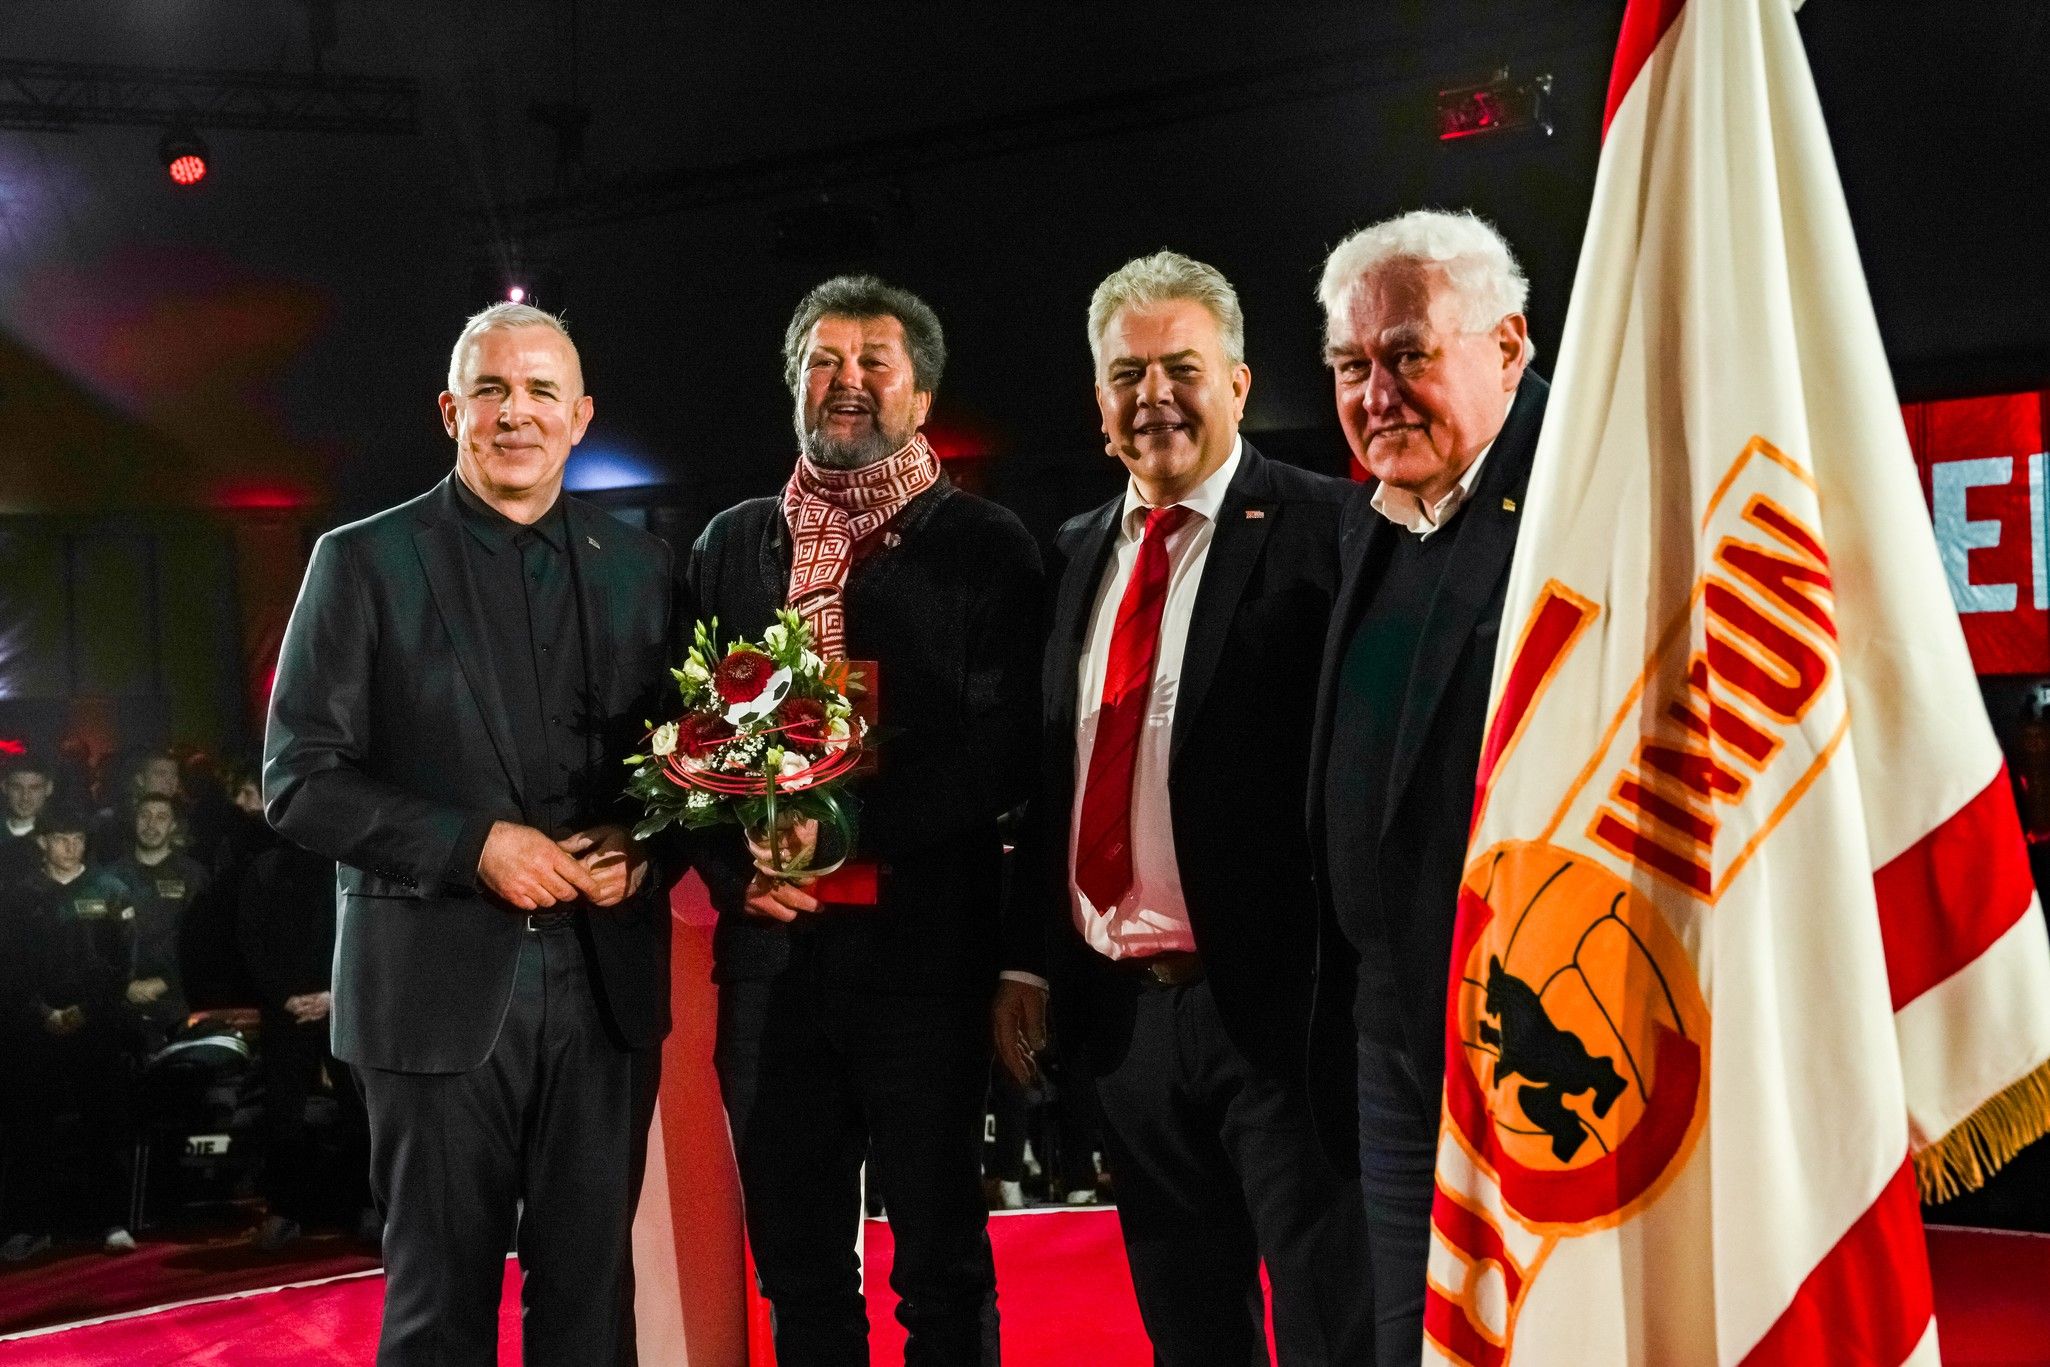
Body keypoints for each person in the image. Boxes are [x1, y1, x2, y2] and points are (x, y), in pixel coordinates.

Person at [264, 301, 689, 1365]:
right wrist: (473, 845)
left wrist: (643, 843)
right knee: (439, 1312)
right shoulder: (361, 560)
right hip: (431, 992)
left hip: (603, 992)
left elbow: (687, 768)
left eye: (542, 390)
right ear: (452, 411)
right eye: (491, 389)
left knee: (591, 1309)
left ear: (580, 417)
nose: (516, 412)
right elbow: (300, 779)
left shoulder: (646, 570)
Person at [992, 252, 1372, 1365]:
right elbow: (1053, 776)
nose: (1153, 395)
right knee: (1190, 1334)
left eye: (1181, 368)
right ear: (1098, 398)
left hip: (1281, 1016)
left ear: (1240, 384)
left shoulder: (1332, 530)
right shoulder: (1071, 555)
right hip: (1125, 1029)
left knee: (1332, 1331)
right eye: (1127, 374)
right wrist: (1028, 961)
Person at [690, 274, 1041, 1365]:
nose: (847, 382)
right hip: (770, 966)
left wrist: (846, 829)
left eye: (873, 363)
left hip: (925, 960)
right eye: (823, 363)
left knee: (941, 1263)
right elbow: (684, 735)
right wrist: (735, 861)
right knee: (797, 1269)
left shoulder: (987, 544)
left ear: (921, 394)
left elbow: (1006, 748)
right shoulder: (732, 544)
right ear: (793, 385)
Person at [1303, 209, 1547, 1366]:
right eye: (1350, 364)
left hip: (1539, 1036)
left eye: (1407, 354)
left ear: (1507, 345)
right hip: (1390, 1027)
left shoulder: (1585, 499)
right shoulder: (1371, 519)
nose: (1375, 394)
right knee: (1413, 1341)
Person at [9, 803, 144, 1255]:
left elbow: (123, 965)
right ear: (42, 842)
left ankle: (110, 1223)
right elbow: (10, 965)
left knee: (103, 1125)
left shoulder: (111, 890)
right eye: (61, 839)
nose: (71, 847)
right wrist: (41, 1012)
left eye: (78, 839)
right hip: (35, 1028)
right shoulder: (20, 895)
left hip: (97, 1027)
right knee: (33, 1130)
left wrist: (87, 1011)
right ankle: (33, 1226)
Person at [236, 839, 371, 1250]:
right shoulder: (265, 868)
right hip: (287, 1010)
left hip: (343, 1004)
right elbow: (250, 940)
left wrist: (334, 995)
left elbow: (365, 934)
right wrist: (283, 997)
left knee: (360, 1108)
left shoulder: (351, 862)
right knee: (283, 1112)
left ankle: (368, 1208)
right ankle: (284, 1211)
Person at [110, 792, 205, 1053]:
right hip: (121, 1003)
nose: (151, 824)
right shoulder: (111, 876)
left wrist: (167, 982)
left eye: (161, 817)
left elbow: (201, 942)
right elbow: (98, 940)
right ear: (134, 820)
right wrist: (122, 985)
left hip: (175, 1003)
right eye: (145, 816)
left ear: (173, 825)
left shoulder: (192, 876)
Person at [1, 755, 56, 887]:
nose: (25, 797)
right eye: (17, 787)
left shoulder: (60, 836)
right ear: (3, 787)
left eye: (34, 788)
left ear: (48, 788)